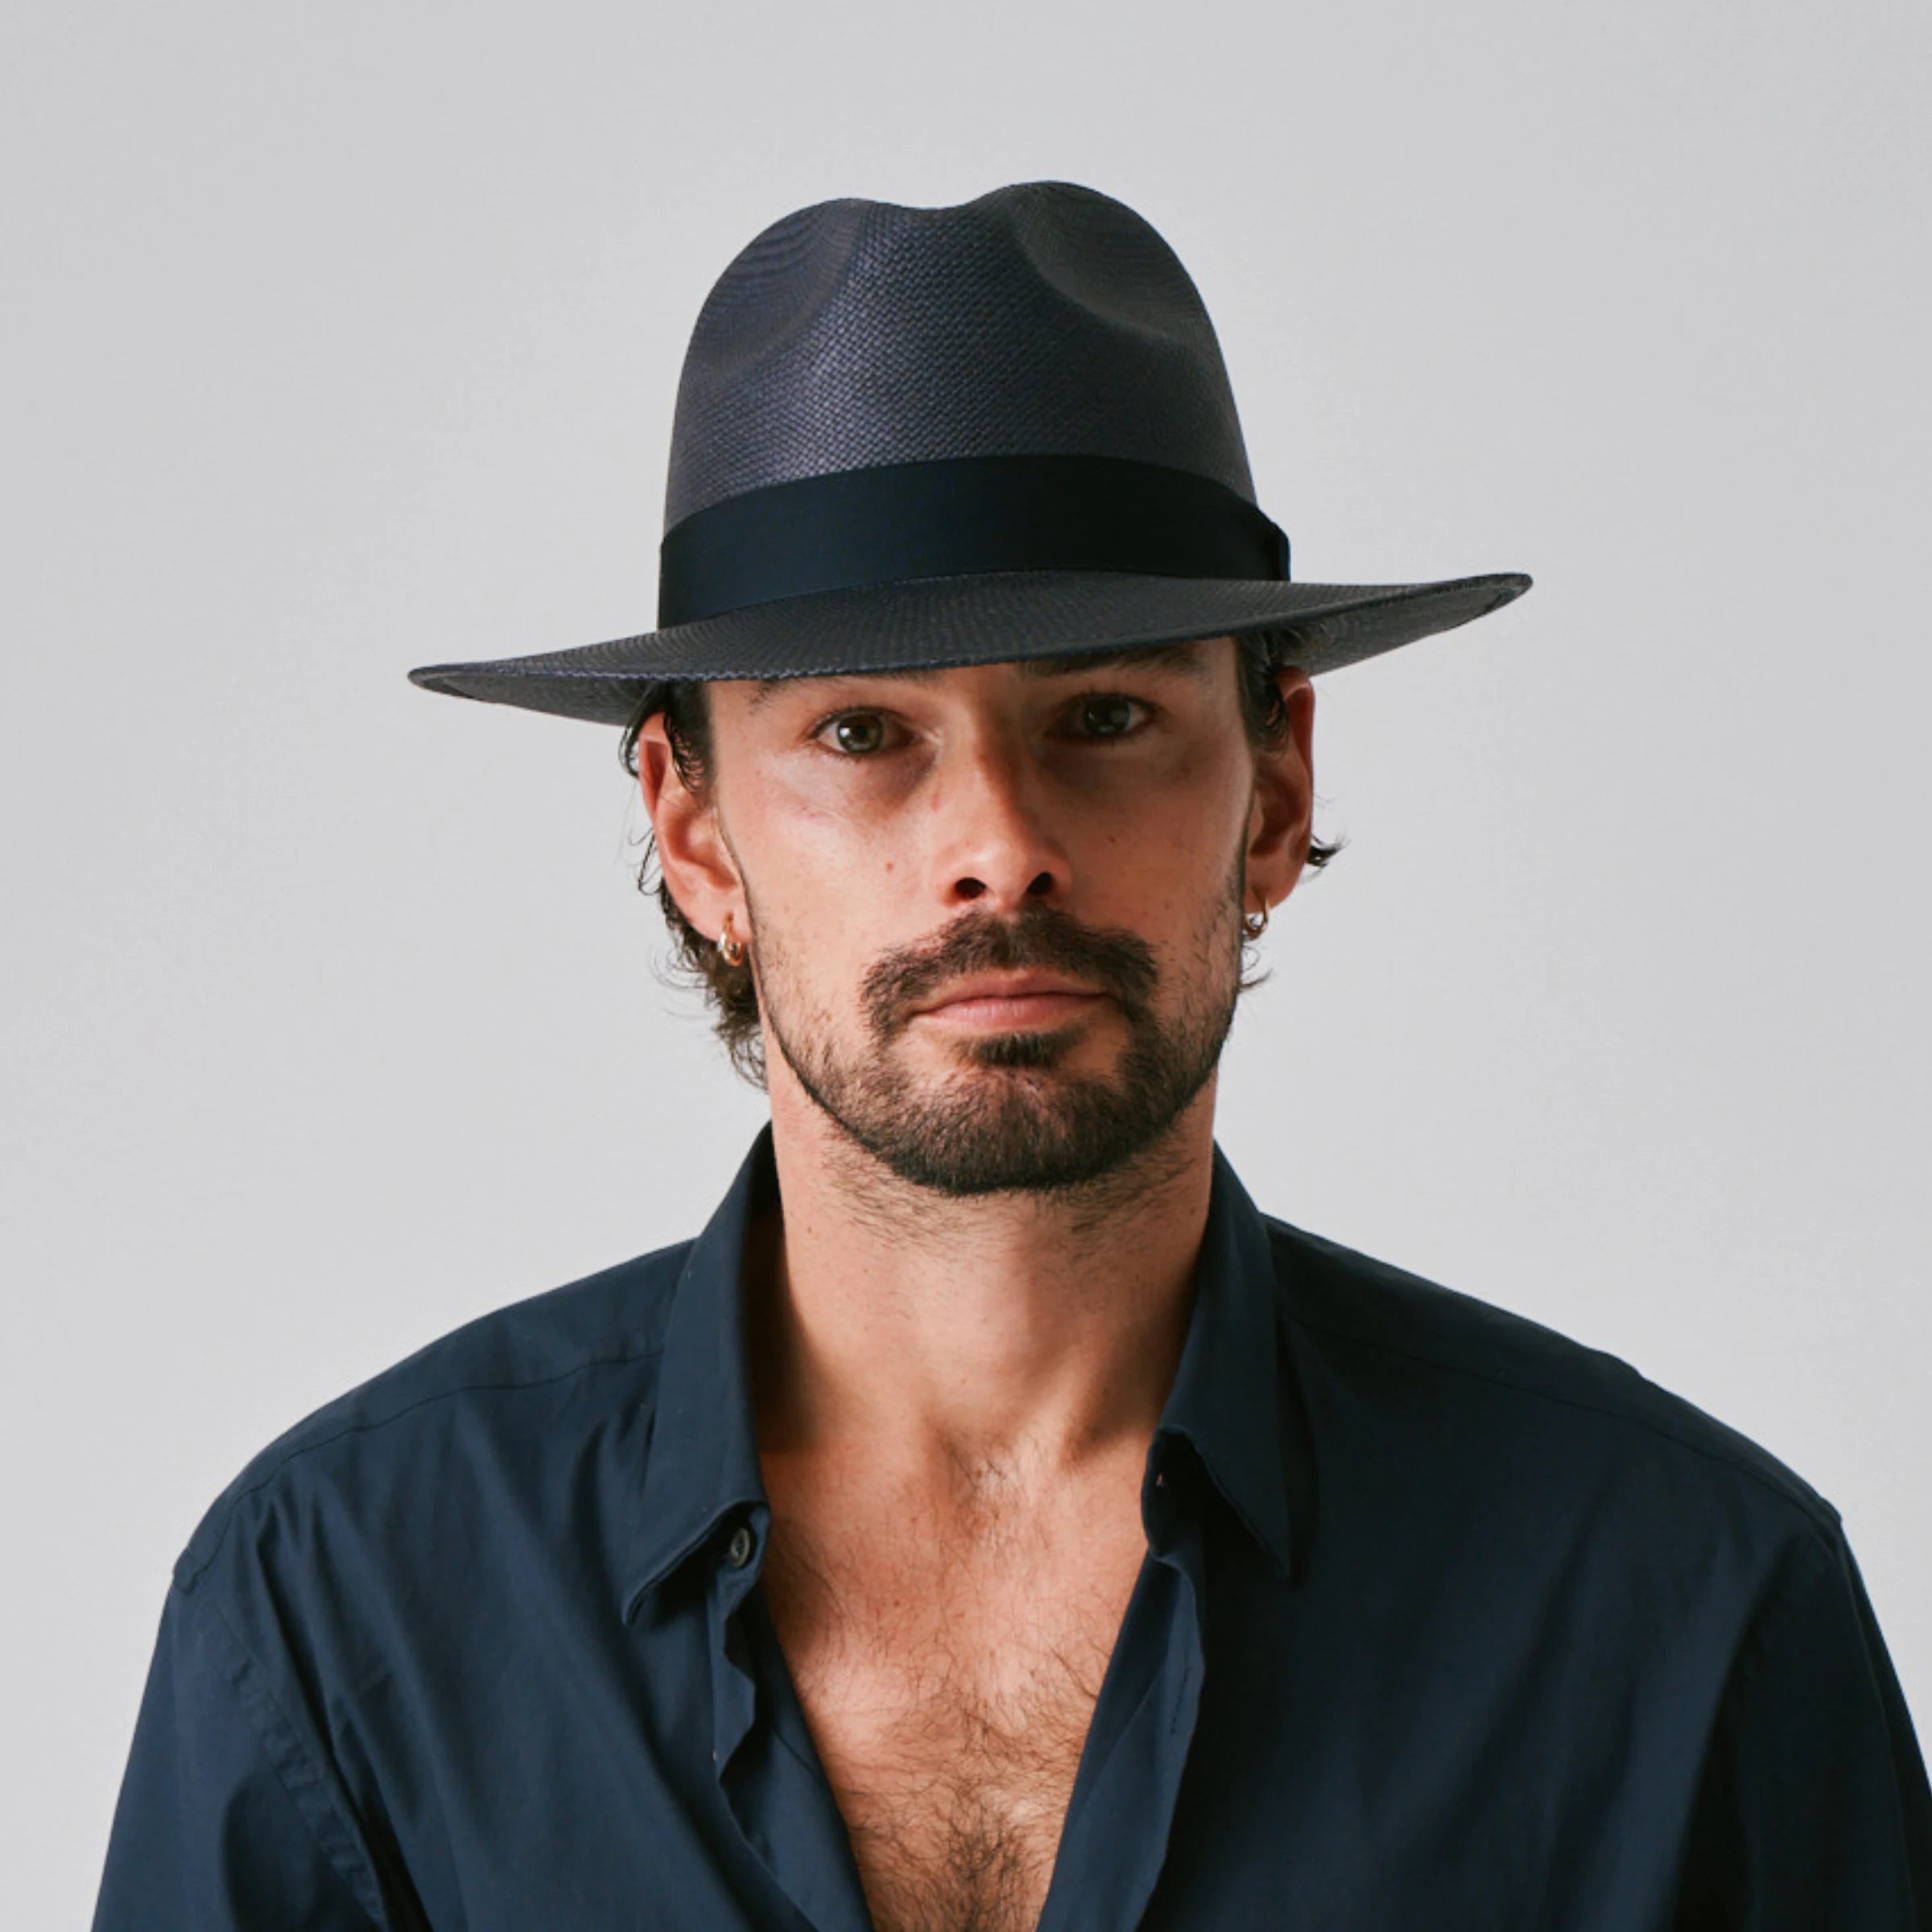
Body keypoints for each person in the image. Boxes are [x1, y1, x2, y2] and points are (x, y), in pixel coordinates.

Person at [93, 183, 1930, 1931]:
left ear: (1276, 785)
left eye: (1107, 714)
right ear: (698, 829)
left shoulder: (1686, 1607)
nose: (998, 840)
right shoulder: (344, 1611)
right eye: (865, 729)